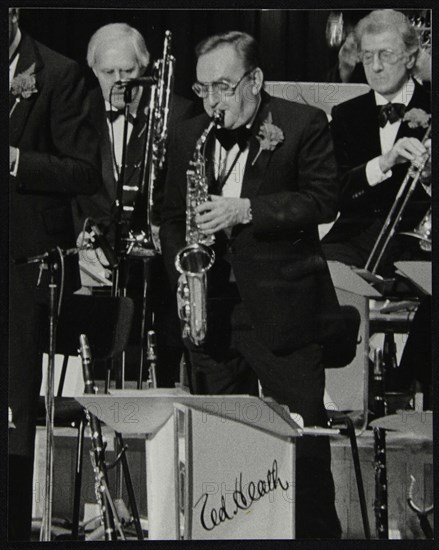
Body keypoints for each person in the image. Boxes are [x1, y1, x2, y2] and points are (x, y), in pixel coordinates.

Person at [160, 31, 342, 538]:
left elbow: (323, 201)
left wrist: (248, 210)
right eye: (202, 90)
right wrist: (184, 263)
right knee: (224, 454)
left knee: (303, 450)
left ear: (256, 80)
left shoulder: (302, 123)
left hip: (284, 312)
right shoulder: (187, 134)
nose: (213, 102)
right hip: (214, 311)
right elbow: (171, 216)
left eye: (223, 86)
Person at [8, 8, 101, 541]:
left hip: (22, 271)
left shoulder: (60, 74)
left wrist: (17, 159)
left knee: (13, 422)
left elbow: (85, 169)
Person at [73, 23, 193, 387]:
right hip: (94, 264)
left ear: (146, 70)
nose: (119, 81)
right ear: (93, 71)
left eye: (128, 71)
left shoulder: (179, 114)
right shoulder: (76, 113)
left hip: (156, 275)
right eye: (108, 73)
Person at [322, 9, 431, 276]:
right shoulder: (346, 114)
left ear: (410, 57)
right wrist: (383, 163)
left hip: (418, 242)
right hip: (354, 240)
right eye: (368, 57)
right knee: (310, 270)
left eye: (386, 54)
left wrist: (429, 178)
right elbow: (333, 189)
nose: (376, 66)